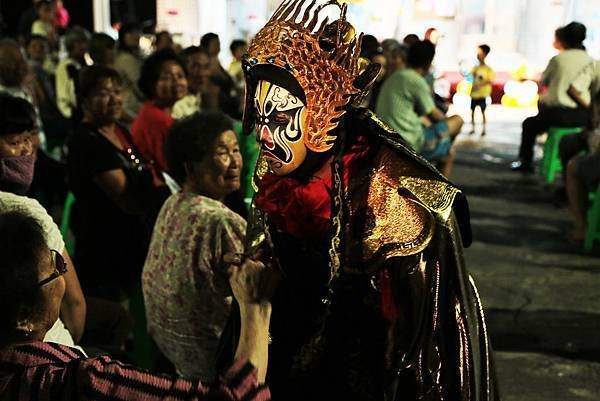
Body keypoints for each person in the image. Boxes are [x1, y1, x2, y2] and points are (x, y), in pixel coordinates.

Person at [220, 1, 497, 399]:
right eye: (260, 119)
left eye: (280, 119)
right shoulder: (277, 175)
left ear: (319, 114)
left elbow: (409, 341)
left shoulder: (390, 189)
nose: (263, 136)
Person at [0, 210, 274, 400]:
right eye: (56, 268)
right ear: (23, 318)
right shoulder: (83, 382)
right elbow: (237, 397)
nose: (63, 277)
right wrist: (253, 306)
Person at [143, 112, 245, 381]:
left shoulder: (173, 203)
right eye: (222, 153)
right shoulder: (221, 221)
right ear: (190, 167)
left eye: (236, 150)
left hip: (173, 356)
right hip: (216, 363)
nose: (235, 162)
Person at [67, 66, 168, 299]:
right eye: (103, 93)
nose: (114, 99)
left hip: (132, 239)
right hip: (107, 246)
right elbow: (126, 198)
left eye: (117, 91)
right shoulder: (87, 141)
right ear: (84, 100)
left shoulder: (119, 130)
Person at [0, 94, 86, 347]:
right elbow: (74, 303)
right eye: (15, 141)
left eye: (29, 138)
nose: (26, 150)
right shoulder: (25, 211)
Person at [511, 22, 592, 172]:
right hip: (583, 116)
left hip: (558, 115)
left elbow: (544, 83)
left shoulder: (558, 60)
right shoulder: (591, 61)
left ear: (563, 39)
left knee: (529, 124)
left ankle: (526, 162)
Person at [376, 40, 463, 177]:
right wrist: (446, 121)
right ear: (428, 62)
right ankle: (441, 194)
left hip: (387, 138)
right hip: (409, 141)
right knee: (457, 122)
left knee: (444, 146)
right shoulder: (415, 80)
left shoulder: (395, 76)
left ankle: (441, 148)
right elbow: (434, 114)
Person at [132, 48, 188, 174]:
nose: (176, 82)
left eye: (180, 76)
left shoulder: (152, 111)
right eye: (166, 78)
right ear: (151, 83)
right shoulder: (158, 120)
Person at [55, 26, 90, 119]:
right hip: (72, 115)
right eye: (80, 43)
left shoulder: (79, 64)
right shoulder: (67, 66)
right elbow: (66, 96)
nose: (84, 46)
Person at [114, 22, 145, 122]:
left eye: (137, 32)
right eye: (131, 33)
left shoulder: (129, 57)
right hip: (131, 108)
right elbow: (140, 85)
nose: (136, 36)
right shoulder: (126, 59)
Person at [469, 44, 495, 136]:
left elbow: (490, 80)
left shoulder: (488, 69)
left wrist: (480, 85)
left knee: (483, 111)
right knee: (472, 111)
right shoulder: (475, 68)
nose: (478, 55)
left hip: (482, 94)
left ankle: (483, 129)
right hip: (474, 94)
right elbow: (469, 76)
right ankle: (472, 128)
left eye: (480, 52)